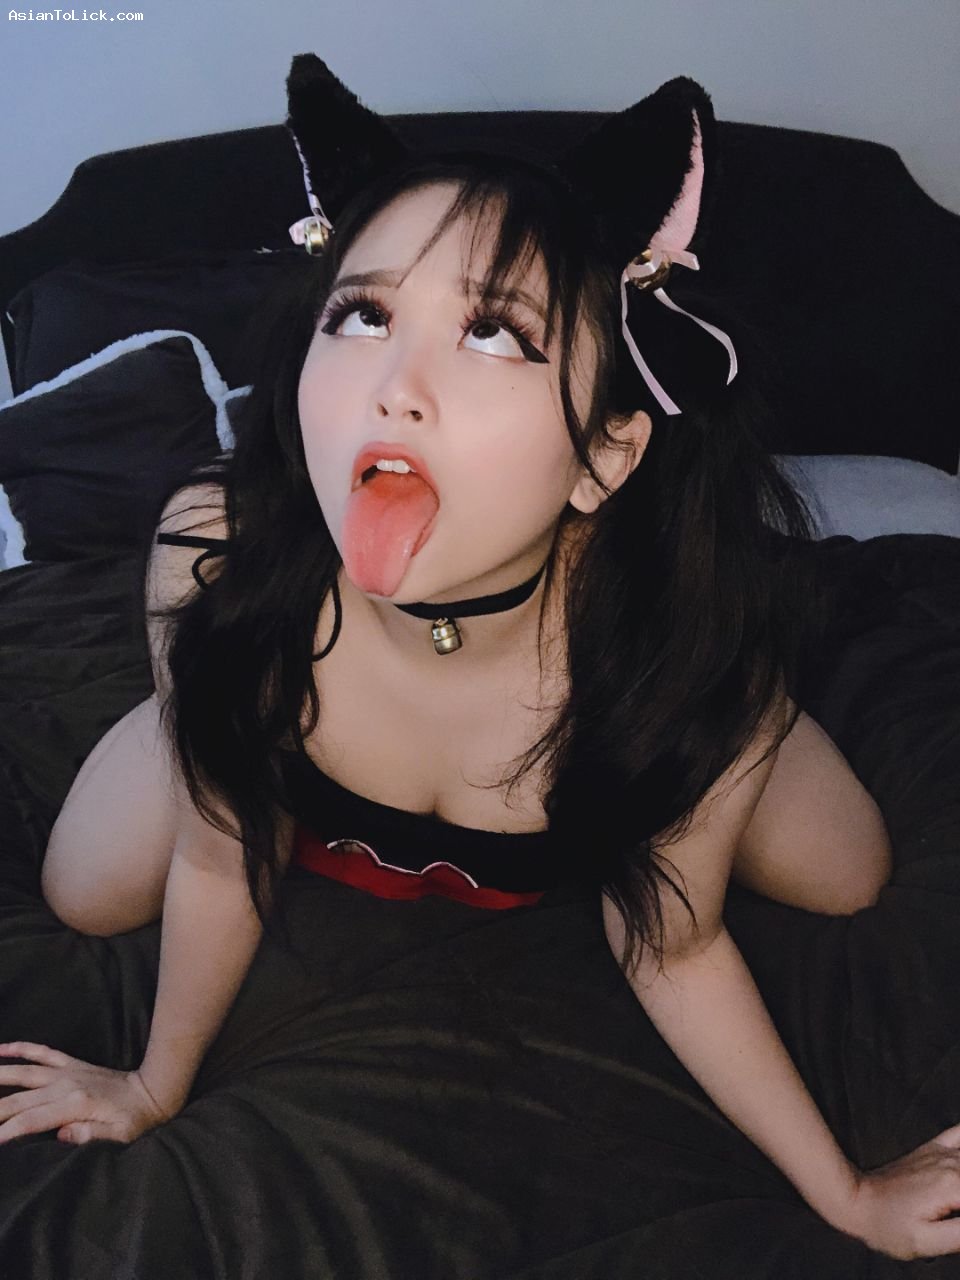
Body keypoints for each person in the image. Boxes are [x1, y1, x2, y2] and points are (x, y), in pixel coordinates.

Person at [0, 53, 956, 1264]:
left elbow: (673, 940)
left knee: (846, 875)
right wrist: (153, 1083)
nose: (393, 389)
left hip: (650, 677)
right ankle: (195, 707)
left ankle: (741, 739)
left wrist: (848, 1193)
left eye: (494, 334)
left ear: (605, 457)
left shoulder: (671, 645)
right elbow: (216, 849)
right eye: (363, 315)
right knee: (86, 891)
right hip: (261, 695)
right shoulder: (218, 559)